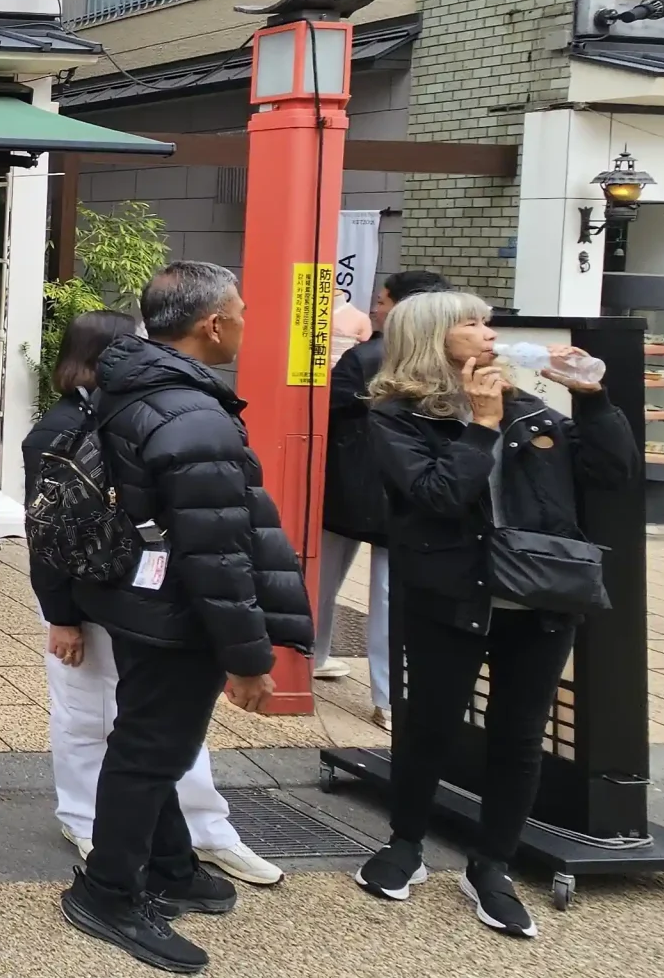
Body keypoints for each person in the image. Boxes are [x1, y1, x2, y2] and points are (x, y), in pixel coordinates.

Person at [59, 261, 312, 974]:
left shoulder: (131, 386)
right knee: (149, 751)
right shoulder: (191, 412)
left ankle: (169, 864)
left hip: (139, 597)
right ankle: (108, 892)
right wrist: (248, 657)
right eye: (242, 310)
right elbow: (217, 551)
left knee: (151, 740)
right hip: (177, 611)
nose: (245, 322)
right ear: (213, 323)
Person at [355, 291, 628, 938]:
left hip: (540, 597)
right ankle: (405, 842)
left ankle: (493, 864)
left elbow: (612, 472)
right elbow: (438, 495)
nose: (488, 332)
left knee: (520, 734)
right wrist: (480, 424)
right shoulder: (397, 416)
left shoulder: (529, 405)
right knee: (430, 723)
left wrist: (593, 399)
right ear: (431, 336)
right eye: (471, 323)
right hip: (451, 592)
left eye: (486, 321)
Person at [29, 309, 285, 890]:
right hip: (117, 596)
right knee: (111, 728)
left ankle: (183, 847)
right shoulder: (85, 420)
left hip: (137, 593)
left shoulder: (146, 407)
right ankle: (104, 857)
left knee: (150, 735)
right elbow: (49, 531)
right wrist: (62, 615)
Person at [319, 269, 450, 727]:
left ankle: (310, 656)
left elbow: (327, 411)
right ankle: (390, 697)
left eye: (382, 300)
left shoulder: (365, 358)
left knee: (322, 580)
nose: (375, 307)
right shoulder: (446, 362)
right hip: (413, 491)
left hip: (350, 485)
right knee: (392, 595)